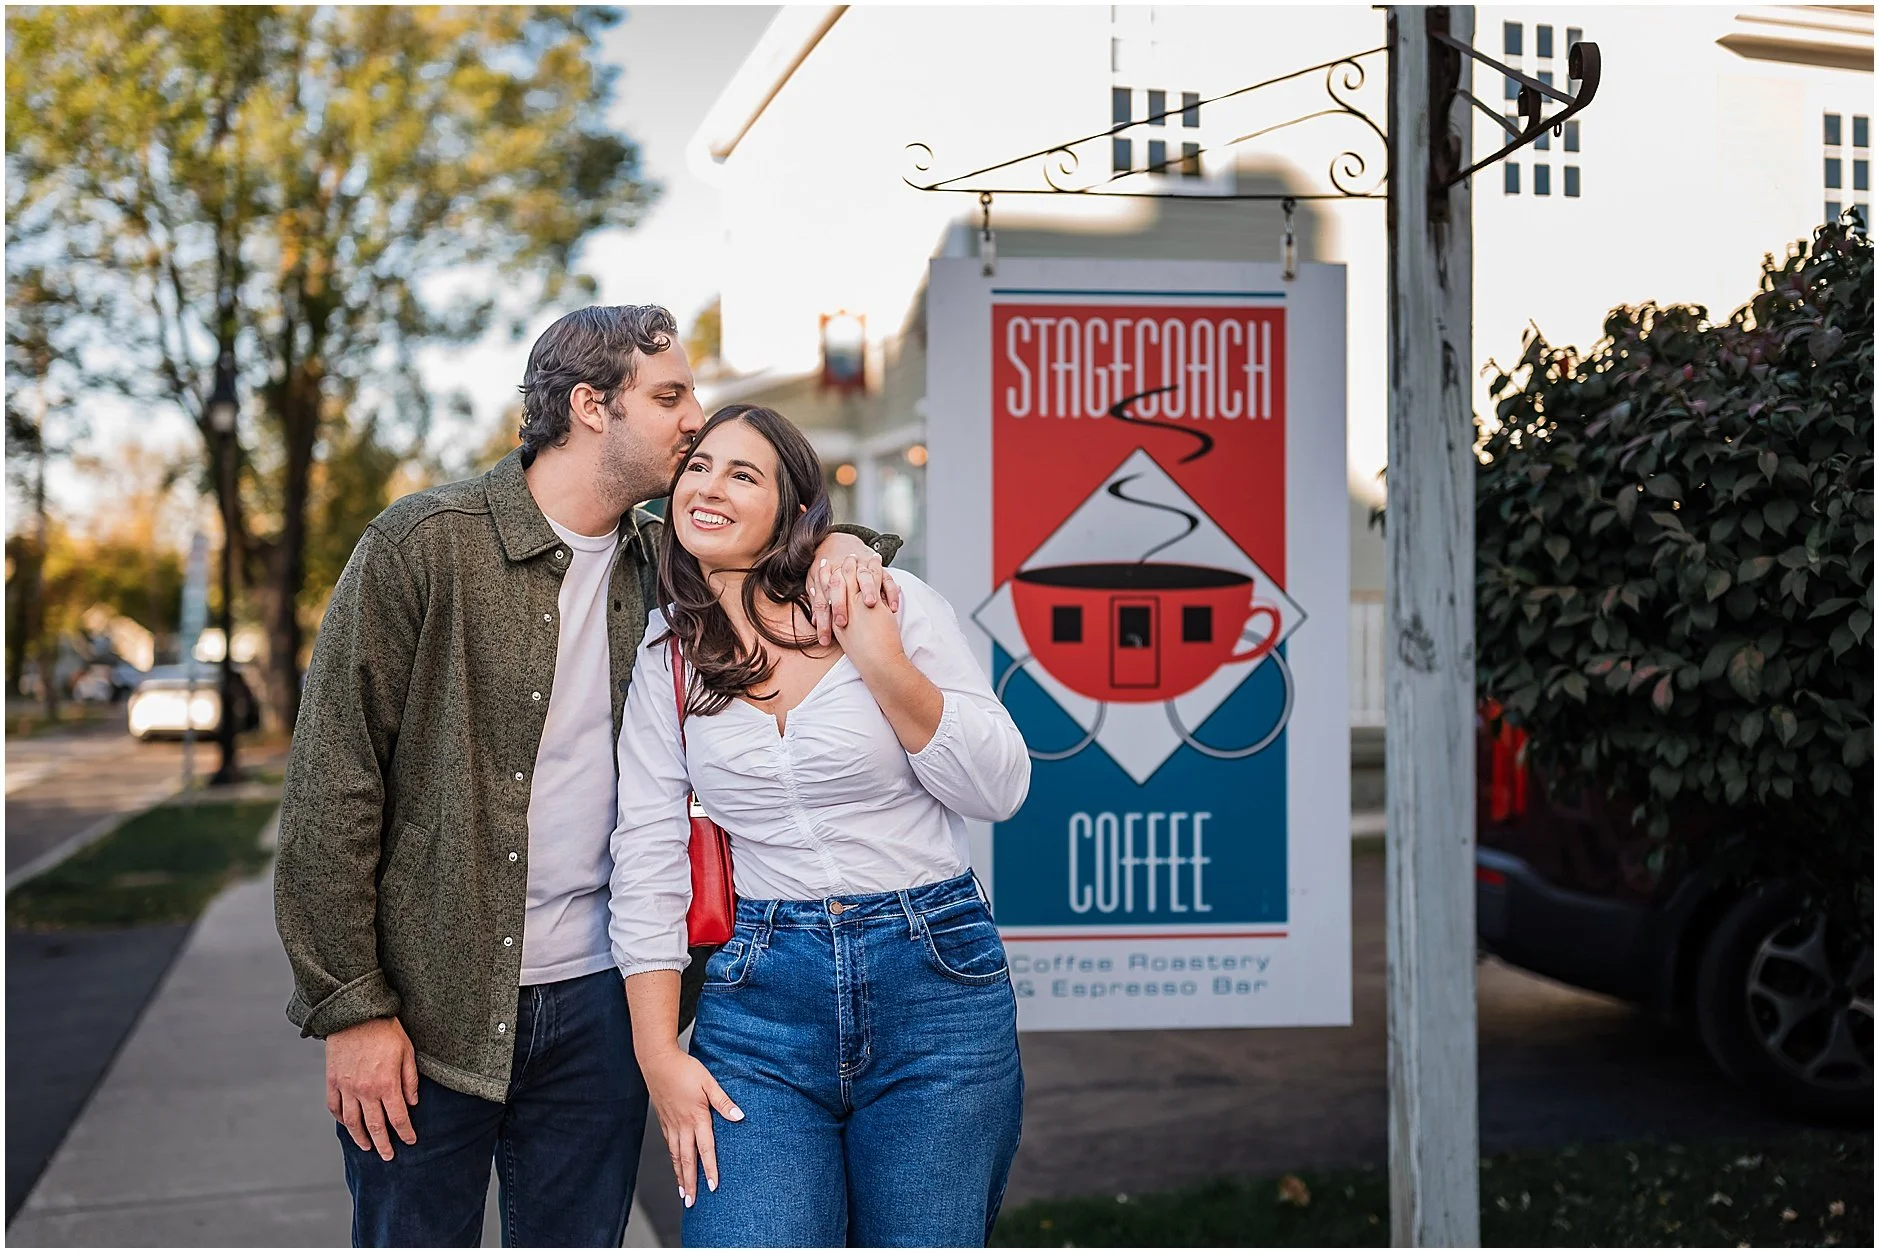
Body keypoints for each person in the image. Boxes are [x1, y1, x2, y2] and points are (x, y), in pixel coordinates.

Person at [275, 307, 898, 1247]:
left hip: (600, 1006)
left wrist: (844, 543)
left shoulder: (672, 566)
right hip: (427, 1010)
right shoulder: (424, 545)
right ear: (588, 405)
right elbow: (332, 788)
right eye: (669, 395)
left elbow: (785, 539)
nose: (696, 417)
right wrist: (351, 1008)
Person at [609, 403, 1031, 1248]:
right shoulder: (667, 655)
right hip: (761, 1001)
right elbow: (647, 856)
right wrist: (659, 1055)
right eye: (699, 465)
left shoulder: (891, 600)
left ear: (793, 508)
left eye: (743, 473)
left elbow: (999, 784)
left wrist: (878, 655)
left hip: (936, 981)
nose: (710, 485)